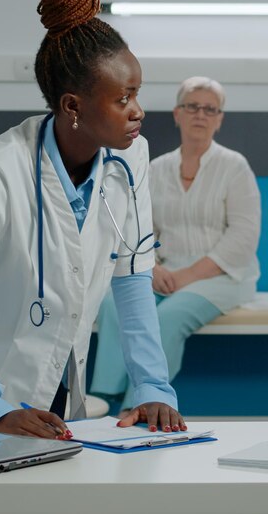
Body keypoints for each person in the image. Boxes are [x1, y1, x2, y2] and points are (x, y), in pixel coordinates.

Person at [0, 0, 186, 438]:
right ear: (72, 106)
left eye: (137, 94)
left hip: (60, 385)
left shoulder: (130, 156)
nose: (138, 111)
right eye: (123, 99)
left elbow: (133, 275)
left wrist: (152, 386)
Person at [91, 76, 261, 411]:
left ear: (219, 118)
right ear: (177, 114)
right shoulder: (156, 168)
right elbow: (139, 227)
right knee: (114, 303)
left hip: (225, 276)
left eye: (210, 109)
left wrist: (185, 276)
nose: (201, 114)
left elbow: (242, 238)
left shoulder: (234, 167)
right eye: (192, 106)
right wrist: (152, 267)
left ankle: (142, 403)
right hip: (164, 270)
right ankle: (103, 394)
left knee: (168, 317)